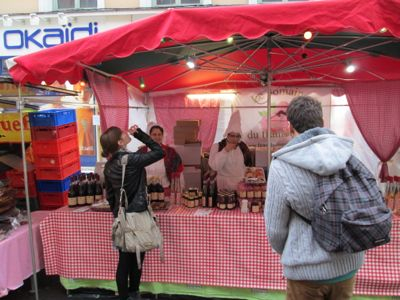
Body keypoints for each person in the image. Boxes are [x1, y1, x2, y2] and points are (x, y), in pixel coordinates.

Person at [264, 96, 365, 300]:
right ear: (322, 122)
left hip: (305, 270)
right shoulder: (349, 154)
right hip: (347, 263)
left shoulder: (282, 165)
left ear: (290, 126)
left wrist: (294, 249)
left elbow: (275, 229)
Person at [101, 125, 164, 300]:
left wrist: (118, 214)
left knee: (124, 260)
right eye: (123, 133)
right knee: (137, 257)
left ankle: (125, 296)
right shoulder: (132, 159)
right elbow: (159, 151)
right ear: (120, 142)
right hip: (138, 215)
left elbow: (111, 196)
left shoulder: (109, 165)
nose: (126, 132)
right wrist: (139, 134)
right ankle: (134, 293)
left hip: (123, 216)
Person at [208, 110, 253, 190]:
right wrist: (225, 150)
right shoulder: (218, 146)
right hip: (223, 187)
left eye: (237, 136)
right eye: (232, 135)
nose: (235, 139)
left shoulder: (243, 147)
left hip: (240, 186)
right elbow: (215, 166)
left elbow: (249, 165)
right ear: (227, 134)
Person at [138, 125, 184, 192]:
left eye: (159, 134)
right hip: (144, 189)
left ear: (162, 136)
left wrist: (179, 188)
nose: (157, 137)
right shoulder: (142, 151)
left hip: (164, 188)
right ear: (149, 136)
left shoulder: (170, 152)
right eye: (154, 134)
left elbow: (178, 170)